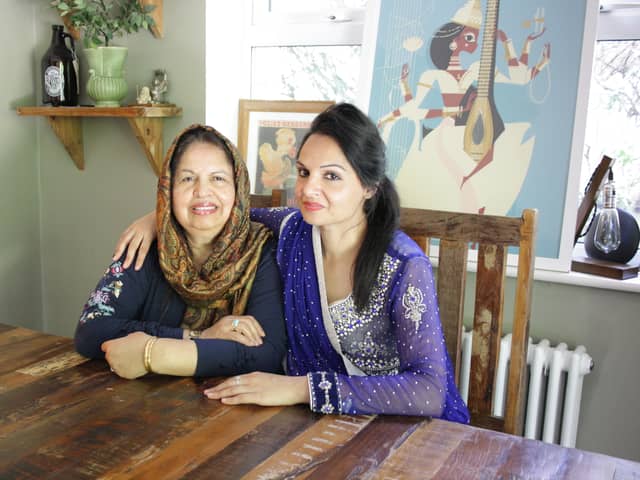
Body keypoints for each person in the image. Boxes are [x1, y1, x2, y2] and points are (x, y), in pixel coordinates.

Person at [114, 104, 469, 422]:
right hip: (308, 423)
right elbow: (224, 212)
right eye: (303, 172)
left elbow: (429, 392)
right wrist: (157, 216)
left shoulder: (404, 266)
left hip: (400, 429)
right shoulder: (292, 229)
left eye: (331, 176)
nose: (309, 189)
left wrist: (301, 389)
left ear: (369, 187)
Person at [76, 124, 286, 380]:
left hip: (230, 412)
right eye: (187, 179)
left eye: (218, 178)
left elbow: (267, 354)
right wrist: (199, 336)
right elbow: (91, 330)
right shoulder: (145, 245)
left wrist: (151, 351)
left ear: (238, 190)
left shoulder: (262, 251)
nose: (202, 192)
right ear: (168, 190)